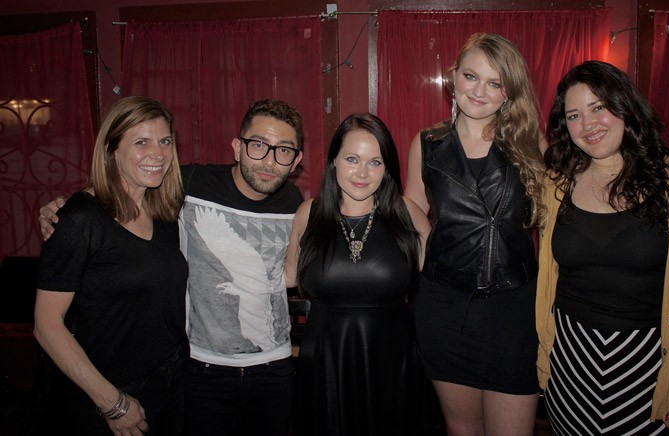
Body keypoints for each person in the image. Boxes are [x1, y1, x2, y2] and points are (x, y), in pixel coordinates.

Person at [39, 99, 305, 436]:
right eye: (258, 146)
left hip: (258, 371)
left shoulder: (294, 203)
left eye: (283, 150)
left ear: (296, 160)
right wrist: (60, 210)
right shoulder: (187, 184)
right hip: (198, 369)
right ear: (237, 148)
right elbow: (114, 193)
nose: (269, 160)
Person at [537, 60, 669, 435]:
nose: (589, 124)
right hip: (570, 361)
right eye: (574, 115)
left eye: (599, 107)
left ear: (626, 107)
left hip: (651, 367)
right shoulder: (555, 184)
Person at [404, 33, 546, 435]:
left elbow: (555, 215)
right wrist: (429, 246)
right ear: (454, 77)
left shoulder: (529, 142)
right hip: (445, 310)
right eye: (471, 76)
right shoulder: (428, 144)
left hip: (513, 312)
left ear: (508, 93)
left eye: (495, 83)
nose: (479, 91)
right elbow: (410, 206)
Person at [34, 96, 188, 435]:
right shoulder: (79, 220)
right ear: (111, 149)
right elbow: (47, 326)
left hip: (170, 386)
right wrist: (112, 403)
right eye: (141, 142)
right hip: (110, 397)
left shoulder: (165, 214)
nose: (158, 154)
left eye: (165, 141)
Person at [285, 113, 430, 435]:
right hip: (325, 363)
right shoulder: (308, 213)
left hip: (394, 363)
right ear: (333, 160)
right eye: (352, 159)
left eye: (375, 162)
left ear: (387, 168)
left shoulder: (407, 213)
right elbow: (288, 276)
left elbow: (440, 282)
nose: (362, 173)